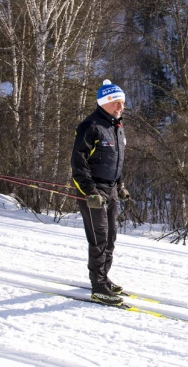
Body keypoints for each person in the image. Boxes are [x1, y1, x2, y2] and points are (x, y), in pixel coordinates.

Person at [71, 79, 131, 306]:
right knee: (98, 239)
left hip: (112, 189)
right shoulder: (91, 126)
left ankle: (104, 278)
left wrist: (121, 186)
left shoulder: (116, 126)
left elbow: (117, 161)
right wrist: (89, 192)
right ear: (104, 102)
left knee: (111, 237)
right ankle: (98, 287)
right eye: (116, 102)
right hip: (94, 191)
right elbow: (78, 164)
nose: (120, 107)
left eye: (122, 102)